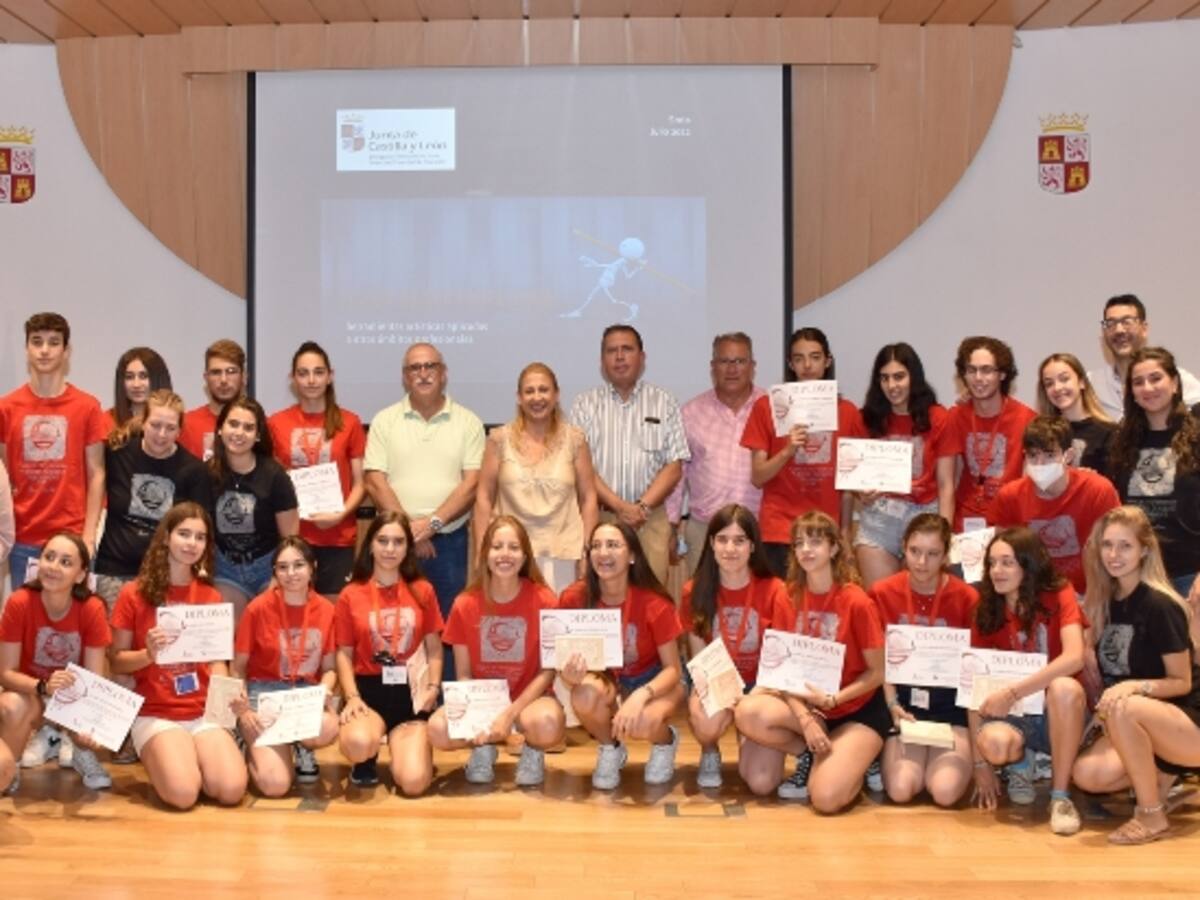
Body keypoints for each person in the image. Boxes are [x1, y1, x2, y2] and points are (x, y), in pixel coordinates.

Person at [733, 511, 887, 812]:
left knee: (825, 799)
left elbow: (878, 671)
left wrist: (834, 699)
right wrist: (805, 719)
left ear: (834, 548)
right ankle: (809, 750)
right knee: (748, 713)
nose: (805, 550)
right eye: (798, 543)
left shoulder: (857, 601)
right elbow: (782, 672)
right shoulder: (787, 597)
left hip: (855, 708)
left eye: (815, 542)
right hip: (808, 708)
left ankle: (860, 758)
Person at [1072, 506, 1200, 844]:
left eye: (1125, 546)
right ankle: (1161, 774)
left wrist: (1133, 687)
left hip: (1189, 722)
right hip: (1143, 721)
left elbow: (1182, 682)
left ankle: (1151, 815)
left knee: (1126, 706)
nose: (1114, 555)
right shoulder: (1107, 602)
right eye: (1107, 545)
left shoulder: (1161, 605)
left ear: (1145, 549)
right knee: (1087, 775)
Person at [109, 502, 248, 809]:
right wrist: (148, 654)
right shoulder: (133, 593)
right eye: (184, 534)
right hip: (156, 712)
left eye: (200, 537)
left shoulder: (211, 596)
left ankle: (200, 755)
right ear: (166, 537)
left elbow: (217, 663)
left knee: (232, 790)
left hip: (201, 713)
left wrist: (227, 708)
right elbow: (116, 661)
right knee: (183, 795)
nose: (191, 543)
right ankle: (174, 757)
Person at [364, 342, 484, 682]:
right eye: (415, 368)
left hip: (448, 542)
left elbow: (472, 484)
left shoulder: (469, 421)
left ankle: (443, 706)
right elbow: (374, 480)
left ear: (444, 374)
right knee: (393, 624)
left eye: (430, 366)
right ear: (404, 377)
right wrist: (407, 534)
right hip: (392, 544)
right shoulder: (385, 421)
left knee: (445, 626)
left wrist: (429, 526)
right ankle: (398, 704)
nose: (423, 373)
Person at [968, 526, 1087, 836]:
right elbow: (973, 685)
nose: (997, 570)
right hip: (1016, 715)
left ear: (1028, 563)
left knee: (1064, 687)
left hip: (1058, 712)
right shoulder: (986, 607)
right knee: (994, 746)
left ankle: (1060, 797)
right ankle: (1021, 761)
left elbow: (1075, 656)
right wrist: (979, 764)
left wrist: (1012, 692)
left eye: (1007, 562)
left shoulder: (1059, 593)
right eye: (992, 563)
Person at [428, 516, 562, 786]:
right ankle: (482, 748)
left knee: (547, 724)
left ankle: (533, 750)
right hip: (483, 699)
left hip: (529, 700)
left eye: (513, 547)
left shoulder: (545, 599)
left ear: (525, 556)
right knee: (438, 729)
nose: (505, 554)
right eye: (497, 546)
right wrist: (477, 717)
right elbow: (464, 674)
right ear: (485, 553)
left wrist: (510, 713)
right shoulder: (465, 604)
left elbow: (548, 671)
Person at [557, 521, 685, 789]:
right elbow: (564, 662)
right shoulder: (573, 598)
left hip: (653, 679)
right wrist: (568, 674)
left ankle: (666, 742)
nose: (603, 553)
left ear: (632, 556)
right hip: (608, 679)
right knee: (582, 694)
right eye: (596, 546)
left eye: (613, 545)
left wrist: (641, 695)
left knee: (643, 722)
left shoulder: (655, 603)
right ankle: (611, 747)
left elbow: (673, 669)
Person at [679, 505, 791, 788]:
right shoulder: (694, 590)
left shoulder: (776, 589)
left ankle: (756, 734)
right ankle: (709, 750)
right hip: (718, 679)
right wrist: (713, 692)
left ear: (753, 546)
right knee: (705, 722)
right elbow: (698, 653)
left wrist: (752, 699)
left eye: (739, 540)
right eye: (722, 539)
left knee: (762, 784)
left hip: (762, 686)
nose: (730, 548)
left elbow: (782, 660)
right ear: (711, 544)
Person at [569, 325, 690, 586]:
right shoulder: (584, 405)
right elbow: (583, 468)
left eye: (627, 349)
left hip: (650, 520)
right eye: (612, 351)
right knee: (604, 599)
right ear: (602, 361)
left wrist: (641, 507)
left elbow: (674, 466)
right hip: (600, 519)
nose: (620, 357)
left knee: (651, 601)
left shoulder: (664, 401)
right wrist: (620, 507)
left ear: (642, 358)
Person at [870, 514, 978, 808]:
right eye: (915, 551)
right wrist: (892, 706)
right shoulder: (882, 593)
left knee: (944, 792)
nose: (921, 562)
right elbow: (878, 661)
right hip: (903, 708)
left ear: (946, 555)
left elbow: (975, 668)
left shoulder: (966, 597)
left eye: (932, 554)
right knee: (902, 790)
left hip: (951, 707)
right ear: (903, 547)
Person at [334, 511, 443, 794]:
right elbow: (344, 654)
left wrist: (433, 686)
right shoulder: (351, 594)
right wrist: (352, 697)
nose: (390, 549)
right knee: (358, 744)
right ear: (370, 544)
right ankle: (366, 756)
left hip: (411, 693)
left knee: (414, 783)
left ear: (408, 548)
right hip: (369, 693)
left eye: (398, 542)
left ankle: (410, 751)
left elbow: (434, 648)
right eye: (383, 541)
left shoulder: (423, 590)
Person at [740, 327, 860, 578]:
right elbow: (758, 476)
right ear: (790, 364)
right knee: (780, 612)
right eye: (799, 358)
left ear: (827, 362)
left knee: (820, 612)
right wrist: (788, 451)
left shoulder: (848, 412)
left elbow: (849, 486)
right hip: (780, 531)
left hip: (827, 533)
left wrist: (846, 532)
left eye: (815, 357)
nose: (807, 366)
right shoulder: (767, 407)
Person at [0, 312, 107, 588]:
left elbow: (97, 474)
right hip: (23, 538)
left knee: (74, 626)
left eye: (53, 342)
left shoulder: (88, 407)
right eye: (37, 342)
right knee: (28, 626)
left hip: (71, 538)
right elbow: (3, 475)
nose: (44, 350)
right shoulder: (6, 408)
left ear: (66, 350)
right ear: (27, 349)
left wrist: (88, 536)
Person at [0, 533, 113, 794]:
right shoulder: (19, 602)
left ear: (81, 574)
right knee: (10, 705)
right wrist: (43, 687)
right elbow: (5, 674)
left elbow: (95, 679)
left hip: (73, 696)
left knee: (101, 680)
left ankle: (78, 749)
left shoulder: (92, 608)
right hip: (33, 693)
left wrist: (87, 725)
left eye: (65, 562)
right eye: (49, 557)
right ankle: (10, 769)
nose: (53, 567)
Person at [473, 363, 598, 593]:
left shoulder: (576, 440)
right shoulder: (498, 439)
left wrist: (587, 551)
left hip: (563, 554)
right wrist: (483, 551)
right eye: (529, 391)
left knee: (558, 626)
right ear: (519, 397)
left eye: (544, 390)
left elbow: (589, 498)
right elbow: (483, 496)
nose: (537, 397)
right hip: (509, 556)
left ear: (556, 395)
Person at [232, 536, 339, 796]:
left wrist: (325, 689)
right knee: (275, 786)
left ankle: (303, 745)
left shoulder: (326, 610)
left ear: (312, 566)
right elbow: (238, 667)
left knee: (328, 726)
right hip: (264, 695)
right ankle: (248, 745)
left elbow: (330, 668)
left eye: (298, 565)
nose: (291, 574)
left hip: (303, 694)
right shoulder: (257, 608)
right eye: (282, 567)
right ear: (275, 572)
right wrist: (244, 710)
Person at [848, 343, 955, 588]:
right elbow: (853, 477)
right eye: (884, 378)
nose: (892, 386)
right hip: (880, 516)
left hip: (925, 517)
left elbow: (946, 484)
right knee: (881, 602)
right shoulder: (865, 419)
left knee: (916, 608)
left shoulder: (938, 417)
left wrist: (944, 536)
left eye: (899, 377)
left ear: (913, 377)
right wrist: (860, 492)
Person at [94, 390, 211, 611]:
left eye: (170, 428)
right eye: (155, 425)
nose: (161, 434)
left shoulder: (195, 471)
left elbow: (202, 529)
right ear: (143, 422)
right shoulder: (117, 455)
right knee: (118, 645)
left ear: (180, 430)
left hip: (167, 577)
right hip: (115, 572)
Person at [268, 342, 366, 597]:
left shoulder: (350, 422)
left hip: (338, 536)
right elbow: (271, 482)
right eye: (303, 373)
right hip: (294, 537)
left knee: (334, 619)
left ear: (330, 376)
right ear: (293, 379)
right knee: (296, 618)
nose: (311, 380)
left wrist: (341, 513)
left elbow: (361, 482)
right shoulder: (276, 423)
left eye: (318, 372)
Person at [666, 332, 766, 577]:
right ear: (713, 367)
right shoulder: (690, 413)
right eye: (724, 361)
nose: (732, 369)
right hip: (704, 530)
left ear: (752, 367)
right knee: (703, 606)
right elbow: (677, 476)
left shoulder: (771, 407)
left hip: (760, 529)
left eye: (740, 361)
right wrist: (671, 526)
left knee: (760, 607)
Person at [989, 416, 1119, 595]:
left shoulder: (1098, 490)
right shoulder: (1009, 496)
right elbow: (1003, 559)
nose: (1040, 465)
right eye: (1033, 456)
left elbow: (1115, 550)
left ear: (1069, 456)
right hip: (1035, 596)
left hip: (1091, 593)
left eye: (1050, 455)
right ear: (1024, 456)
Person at [1107, 347, 1200, 598]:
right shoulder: (1120, 442)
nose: (1148, 388)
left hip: (1190, 575)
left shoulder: (1197, 436)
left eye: (1156, 378)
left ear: (1175, 383)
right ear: (1132, 393)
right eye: (1138, 382)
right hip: (1138, 574)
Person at [208, 398, 299, 619]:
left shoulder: (275, 476)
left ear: (258, 435)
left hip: (268, 567)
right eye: (233, 424)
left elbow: (291, 539)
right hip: (225, 569)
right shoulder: (206, 474)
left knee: (265, 633)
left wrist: (279, 577)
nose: (239, 433)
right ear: (220, 428)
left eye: (248, 428)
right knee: (228, 637)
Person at [942, 336, 1037, 532]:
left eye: (986, 370)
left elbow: (1028, 487)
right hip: (965, 527)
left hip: (1008, 524)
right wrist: (944, 536)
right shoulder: (955, 417)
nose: (978, 378)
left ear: (1002, 374)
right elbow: (948, 484)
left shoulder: (1027, 419)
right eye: (971, 370)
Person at [1090, 294, 1200, 421]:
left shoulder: (1174, 379)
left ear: (1144, 328)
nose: (1119, 330)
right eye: (1111, 323)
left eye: (1127, 321)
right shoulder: (1092, 384)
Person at [1037, 352, 1116, 473]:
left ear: (1081, 382)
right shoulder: (1040, 432)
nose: (1057, 388)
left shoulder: (1109, 432)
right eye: (1049, 383)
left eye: (1064, 379)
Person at [179, 339, 246, 461]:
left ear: (244, 376)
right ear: (206, 378)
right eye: (216, 372)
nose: (224, 380)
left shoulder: (257, 426)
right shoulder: (185, 424)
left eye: (231, 371)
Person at [106, 346, 172, 444]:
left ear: (158, 379)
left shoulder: (174, 421)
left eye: (143, 376)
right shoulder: (107, 420)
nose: (136, 384)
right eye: (129, 377)